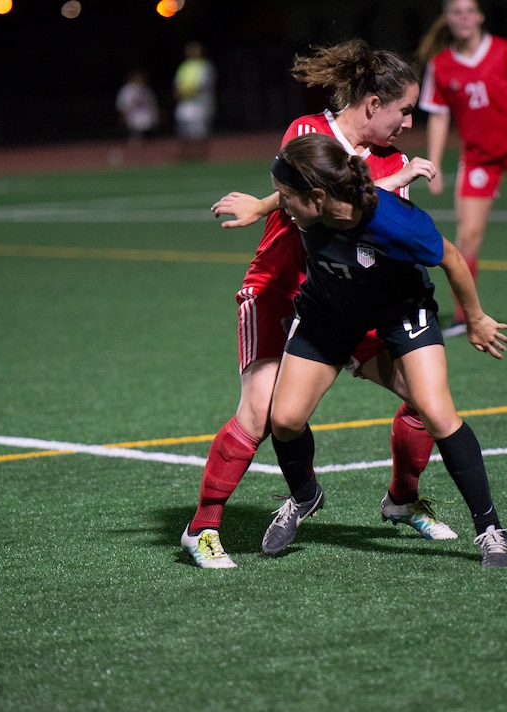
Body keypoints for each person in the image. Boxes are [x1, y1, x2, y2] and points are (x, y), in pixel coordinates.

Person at [181, 40, 454, 569]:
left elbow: (368, 217)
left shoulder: (391, 160)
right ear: (373, 104)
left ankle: (401, 500)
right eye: (402, 112)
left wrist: (393, 183)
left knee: (426, 400)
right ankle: (203, 526)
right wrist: (262, 203)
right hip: (277, 290)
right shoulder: (308, 132)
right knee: (261, 412)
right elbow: (304, 191)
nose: (407, 124)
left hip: (340, 301)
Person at [261, 133, 507, 567]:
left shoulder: (395, 223)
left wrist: (474, 318)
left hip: (400, 311)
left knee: (436, 413)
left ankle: (490, 528)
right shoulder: (313, 206)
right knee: (284, 420)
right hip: (327, 312)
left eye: (285, 196)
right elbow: (301, 194)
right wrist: (257, 205)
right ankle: (305, 496)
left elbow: (451, 258)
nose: (280, 204)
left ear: (319, 196)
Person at [417, 0, 507, 333]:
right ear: (447, 19)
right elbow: (438, 115)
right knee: (467, 236)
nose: (463, 18)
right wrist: (434, 161)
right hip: (479, 157)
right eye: (456, 12)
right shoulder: (441, 65)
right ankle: (466, 315)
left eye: (469, 11)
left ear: (480, 16)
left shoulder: (506, 51)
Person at [173, 41, 217, 161]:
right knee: (183, 131)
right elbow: (177, 85)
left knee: (201, 133)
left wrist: (185, 93)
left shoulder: (205, 66)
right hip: (185, 104)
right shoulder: (184, 66)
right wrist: (179, 94)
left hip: (200, 104)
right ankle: (186, 156)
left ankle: (201, 156)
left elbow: (201, 85)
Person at [115, 71, 159, 146]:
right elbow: (122, 105)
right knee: (134, 142)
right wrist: (123, 117)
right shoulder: (127, 91)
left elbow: (152, 105)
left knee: (148, 143)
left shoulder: (146, 90)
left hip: (147, 120)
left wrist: (155, 116)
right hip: (133, 120)